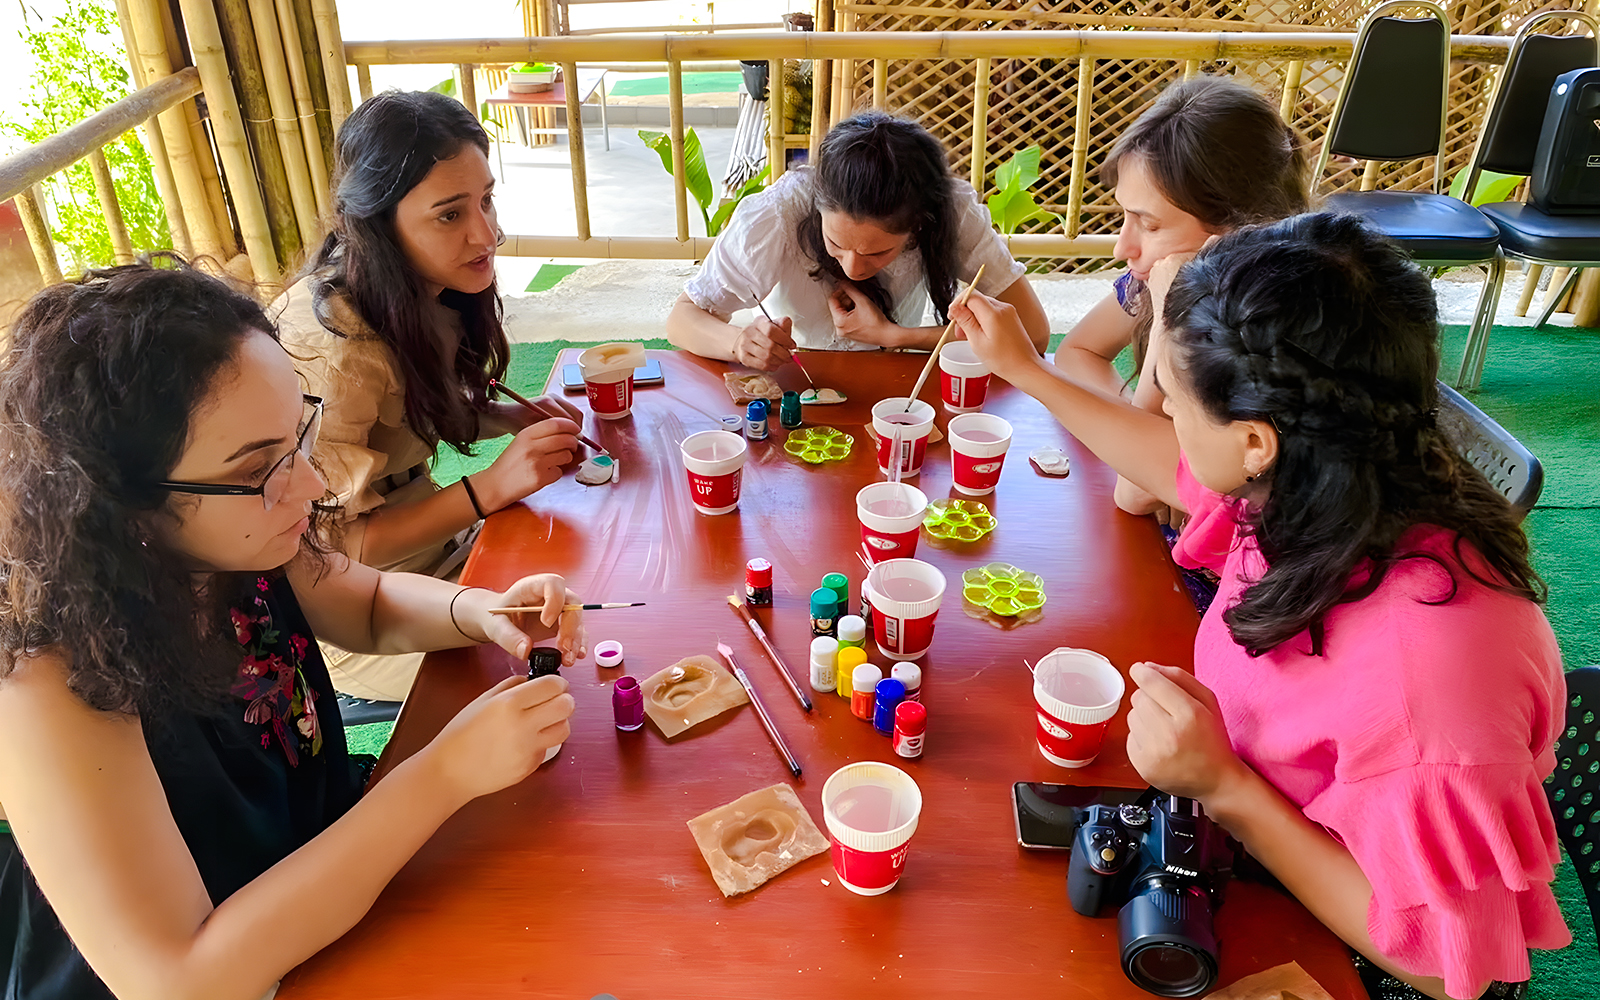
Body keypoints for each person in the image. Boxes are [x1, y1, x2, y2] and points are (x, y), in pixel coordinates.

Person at [951, 213, 1568, 1000]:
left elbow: (1449, 969)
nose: (1166, 416)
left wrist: (1225, 788)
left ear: (1253, 440)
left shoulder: (1428, 692)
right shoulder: (1335, 469)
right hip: (1249, 814)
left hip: (1358, 950)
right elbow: (1177, 467)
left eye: (1174, 399)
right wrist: (1028, 371)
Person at [0, 260, 584, 1000]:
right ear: (122, 508)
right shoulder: (45, 677)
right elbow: (180, 981)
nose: (309, 486)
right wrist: (441, 775)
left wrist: (478, 611)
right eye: (260, 469)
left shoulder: (233, 541)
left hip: (332, 887)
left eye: (296, 437)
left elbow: (364, 602)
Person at [274, 90, 583, 703]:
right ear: (378, 224)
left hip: (435, 553)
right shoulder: (336, 353)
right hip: (359, 606)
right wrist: (491, 487)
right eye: (450, 215)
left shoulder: (424, 293)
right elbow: (331, 544)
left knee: (580, 593)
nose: (486, 233)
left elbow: (410, 414)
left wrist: (501, 416)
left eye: (487, 200)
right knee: (548, 668)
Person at [1055, 75, 1309, 516]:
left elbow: (1134, 493)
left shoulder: (1258, 329)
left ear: (1234, 229)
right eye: (1125, 216)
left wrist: (1168, 323)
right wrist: (1127, 425)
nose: (1123, 248)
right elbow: (1076, 351)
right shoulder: (1162, 273)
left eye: (1149, 225)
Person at [667, 111, 1051, 370]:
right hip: (794, 385)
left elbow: (1033, 335)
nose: (852, 267)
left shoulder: (950, 213)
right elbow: (682, 319)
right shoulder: (776, 217)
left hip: (896, 382)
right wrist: (739, 343)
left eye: (879, 251)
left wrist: (893, 335)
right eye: (835, 244)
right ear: (818, 208)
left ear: (919, 224)